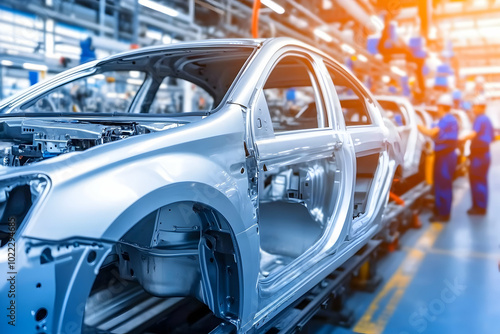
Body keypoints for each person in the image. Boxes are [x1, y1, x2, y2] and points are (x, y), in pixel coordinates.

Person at [418, 94, 459, 222]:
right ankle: (440, 209)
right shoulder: (448, 119)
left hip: (446, 157)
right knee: (441, 183)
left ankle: (443, 214)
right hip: (444, 156)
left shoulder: (447, 119)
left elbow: (431, 133)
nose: (437, 109)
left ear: (441, 106)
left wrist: (417, 126)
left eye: (438, 106)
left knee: (443, 184)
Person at [460, 96, 494, 215]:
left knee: (477, 180)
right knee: (481, 180)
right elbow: (492, 137)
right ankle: (480, 205)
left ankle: (479, 207)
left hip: (479, 156)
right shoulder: (487, 119)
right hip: (484, 155)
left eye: (475, 106)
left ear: (481, 107)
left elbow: (473, 134)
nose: (473, 109)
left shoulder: (480, 119)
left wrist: (459, 140)